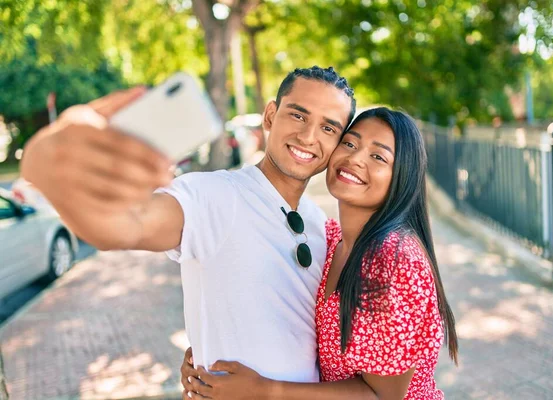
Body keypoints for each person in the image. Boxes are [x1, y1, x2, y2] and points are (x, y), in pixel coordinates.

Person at [21, 67, 382, 396]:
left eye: (329, 127)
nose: (308, 136)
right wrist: (42, 160)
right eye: (298, 115)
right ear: (271, 115)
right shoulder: (214, 195)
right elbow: (121, 228)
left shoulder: (320, 222)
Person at [180, 108, 458, 399]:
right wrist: (205, 352)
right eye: (349, 143)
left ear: (402, 177)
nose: (355, 158)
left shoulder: (394, 261)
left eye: (378, 157)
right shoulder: (329, 238)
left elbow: (382, 397)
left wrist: (262, 390)